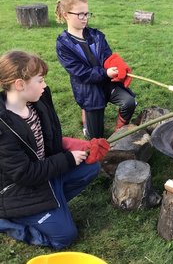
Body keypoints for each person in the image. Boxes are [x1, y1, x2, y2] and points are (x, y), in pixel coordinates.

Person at [0, 51, 110, 249]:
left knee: (91, 167)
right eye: (40, 80)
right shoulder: (3, 127)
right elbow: (24, 174)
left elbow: (49, 139)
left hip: (44, 176)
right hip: (19, 190)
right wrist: (67, 160)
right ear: (19, 84)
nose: (44, 85)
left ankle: (52, 206)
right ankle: (10, 222)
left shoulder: (36, 103)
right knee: (65, 236)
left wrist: (79, 146)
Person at [55, 0, 137, 139]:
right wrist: (105, 73)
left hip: (107, 82)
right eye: (80, 14)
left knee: (129, 102)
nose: (85, 18)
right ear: (66, 14)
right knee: (95, 138)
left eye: (87, 14)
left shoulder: (96, 35)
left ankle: (119, 132)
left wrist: (117, 65)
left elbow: (107, 56)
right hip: (88, 89)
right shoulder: (63, 44)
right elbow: (81, 73)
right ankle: (87, 115)